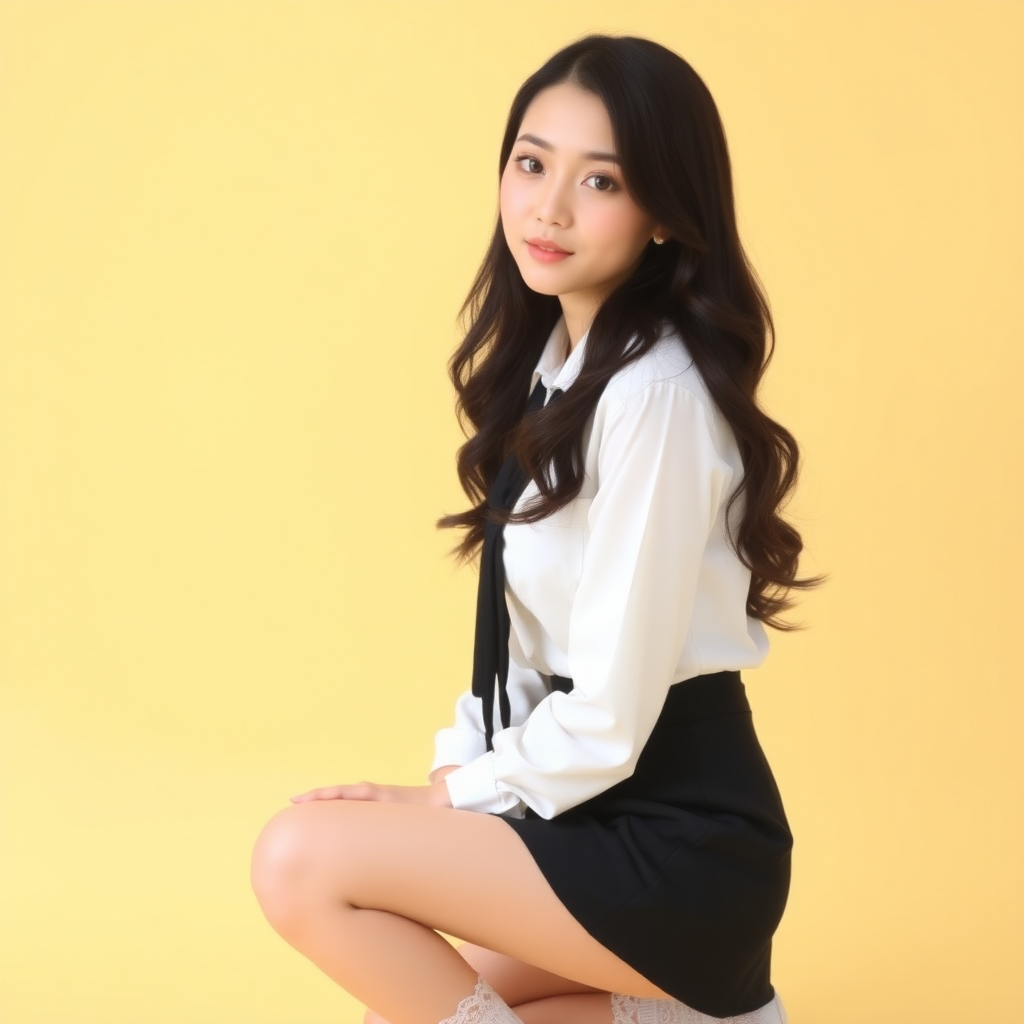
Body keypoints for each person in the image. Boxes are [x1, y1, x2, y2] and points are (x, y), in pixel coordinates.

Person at [250, 33, 818, 1024]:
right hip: (595, 813)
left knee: (297, 858)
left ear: (659, 215)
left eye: (599, 180)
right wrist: (453, 764)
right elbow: (516, 652)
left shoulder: (656, 395)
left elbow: (608, 711)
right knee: (426, 989)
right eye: (530, 162)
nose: (547, 207)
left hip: (677, 840)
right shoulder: (562, 370)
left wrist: (451, 798)